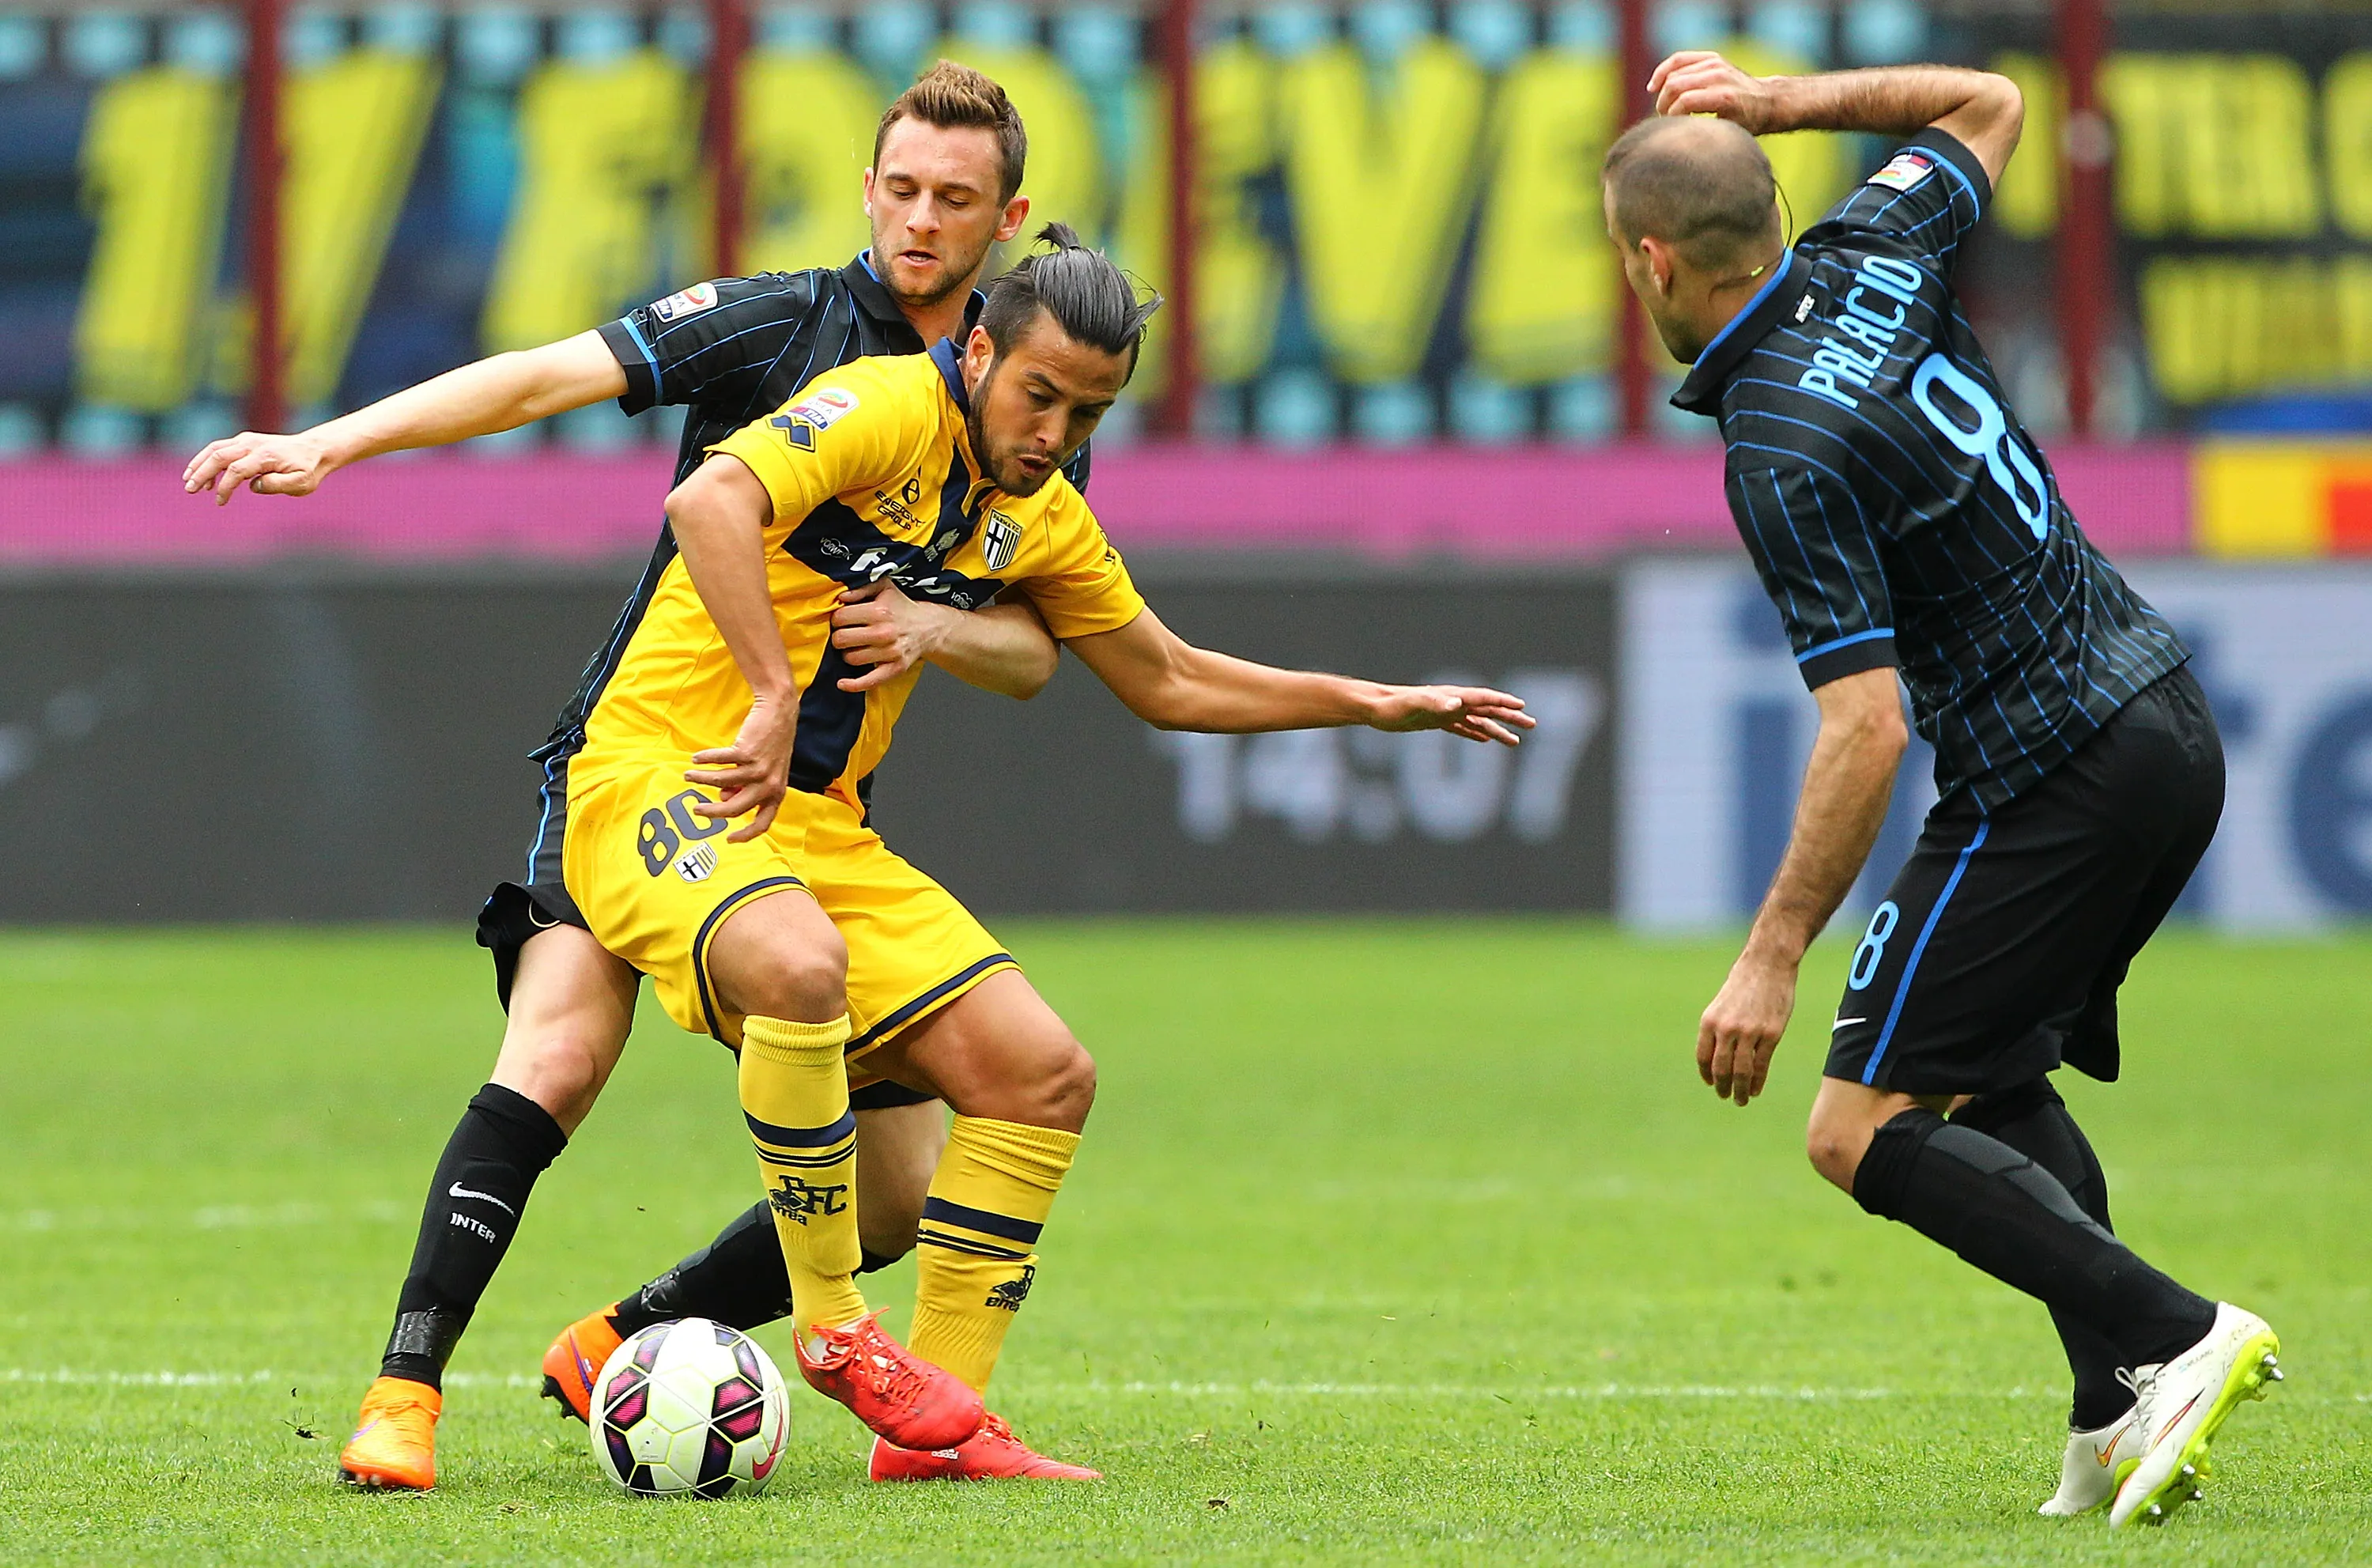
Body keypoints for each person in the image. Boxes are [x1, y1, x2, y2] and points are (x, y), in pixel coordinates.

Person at [183, 62, 1074, 1491]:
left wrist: (934, 627)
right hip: (650, 763)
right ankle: (400, 1398)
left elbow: (1043, 631)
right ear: (866, 186)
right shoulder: (784, 319)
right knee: (556, 1057)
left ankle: (626, 1338)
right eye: (899, 188)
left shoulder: (1019, 379)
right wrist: (330, 440)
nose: (920, 219)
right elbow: (548, 372)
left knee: (899, 1190)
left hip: (807, 817)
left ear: (1006, 216)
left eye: (954, 199)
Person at [556, 222, 1532, 1483]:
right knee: (802, 966)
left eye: (1090, 412)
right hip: (662, 774)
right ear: (974, 350)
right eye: (1040, 394)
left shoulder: (1039, 516)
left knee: (1042, 1071)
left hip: (817, 825)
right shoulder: (884, 402)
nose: (1058, 432)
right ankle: (835, 1325)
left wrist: (1378, 701)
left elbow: (1171, 679)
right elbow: (708, 499)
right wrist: (766, 691)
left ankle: (943, 1433)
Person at [1604, 53, 2280, 1528]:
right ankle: (2114, 1407)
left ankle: (2174, 1333)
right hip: (2161, 716)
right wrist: (1776, 99)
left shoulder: (1780, 443)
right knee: (1979, 1073)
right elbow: (1985, 103)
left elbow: (1864, 730)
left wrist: (1770, 954)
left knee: (1856, 1127)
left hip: (2056, 771)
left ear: (1651, 261)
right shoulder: (1866, 248)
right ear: (1773, 205)